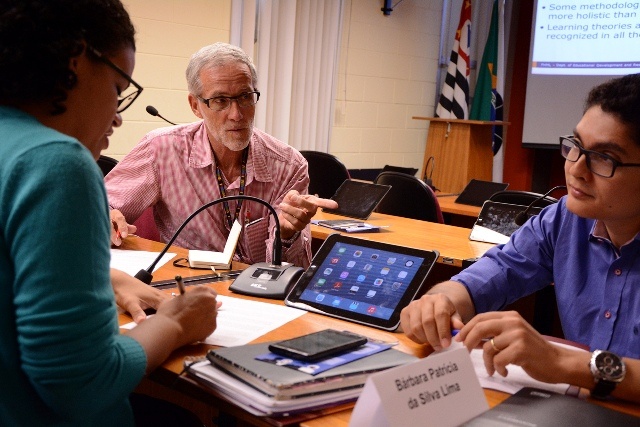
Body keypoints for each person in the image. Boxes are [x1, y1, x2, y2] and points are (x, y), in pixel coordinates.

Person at [0, 1, 219, 426]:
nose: (118, 117)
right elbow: (81, 384)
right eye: (119, 90)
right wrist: (175, 324)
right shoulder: (56, 162)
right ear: (78, 59)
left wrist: (107, 277)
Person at [401, 73, 640, 404]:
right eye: (576, 145)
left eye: (605, 158)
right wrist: (440, 302)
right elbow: (493, 273)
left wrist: (562, 363)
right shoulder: (563, 219)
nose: (575, 168)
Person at [105, 42, 337, 268]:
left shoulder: (289, 165)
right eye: (220, 101)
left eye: (245, 97)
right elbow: (99, 206)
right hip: (188, 286)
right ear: (195, 105)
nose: (236, 114)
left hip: (257, 295)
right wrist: (107, 215)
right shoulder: (162, 149)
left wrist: (287, 235)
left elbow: (296, 270)